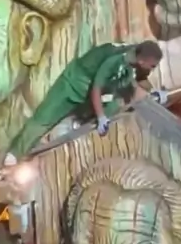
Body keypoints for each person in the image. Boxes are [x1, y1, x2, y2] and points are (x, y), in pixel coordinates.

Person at [10, 40, 164, 158]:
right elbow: (96, 89)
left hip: (99, 91)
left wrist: (153, 91)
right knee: (43, 119)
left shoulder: (138, 55)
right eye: (152, 66)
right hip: (73, 84)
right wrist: (101, 117)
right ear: (142, 61)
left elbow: (140, 78)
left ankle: (80, 127)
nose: (153, 69)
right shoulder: (116, 60)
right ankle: (14, 155)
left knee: (116, 104)